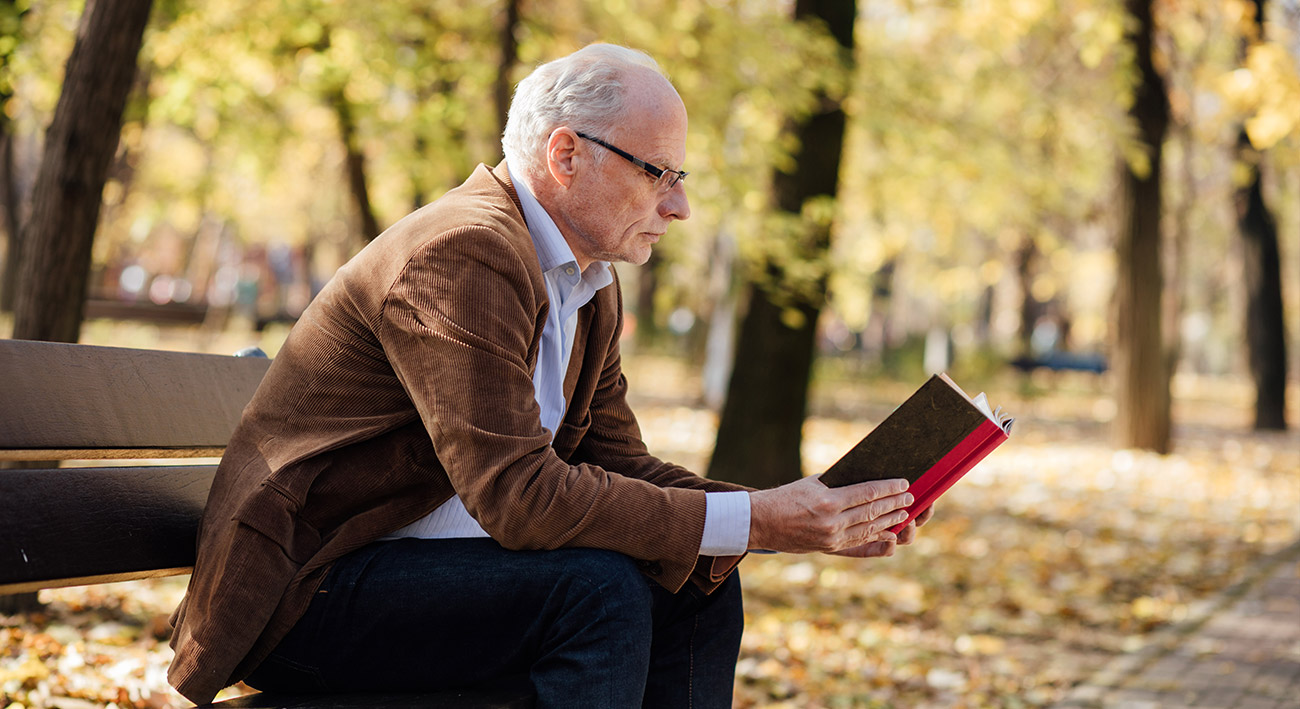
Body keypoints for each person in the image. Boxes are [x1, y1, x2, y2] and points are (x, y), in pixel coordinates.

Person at [167, 43, 930, 708]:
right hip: (310, 597)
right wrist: (759, 520)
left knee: (698, 581)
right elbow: (518, 496)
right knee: (600, 591)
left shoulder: (587, 280)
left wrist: (800, 514)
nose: (681, 205)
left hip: (433, 581)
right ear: (566, 155)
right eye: (659, 173)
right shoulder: (463, 251)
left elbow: (620, 464)